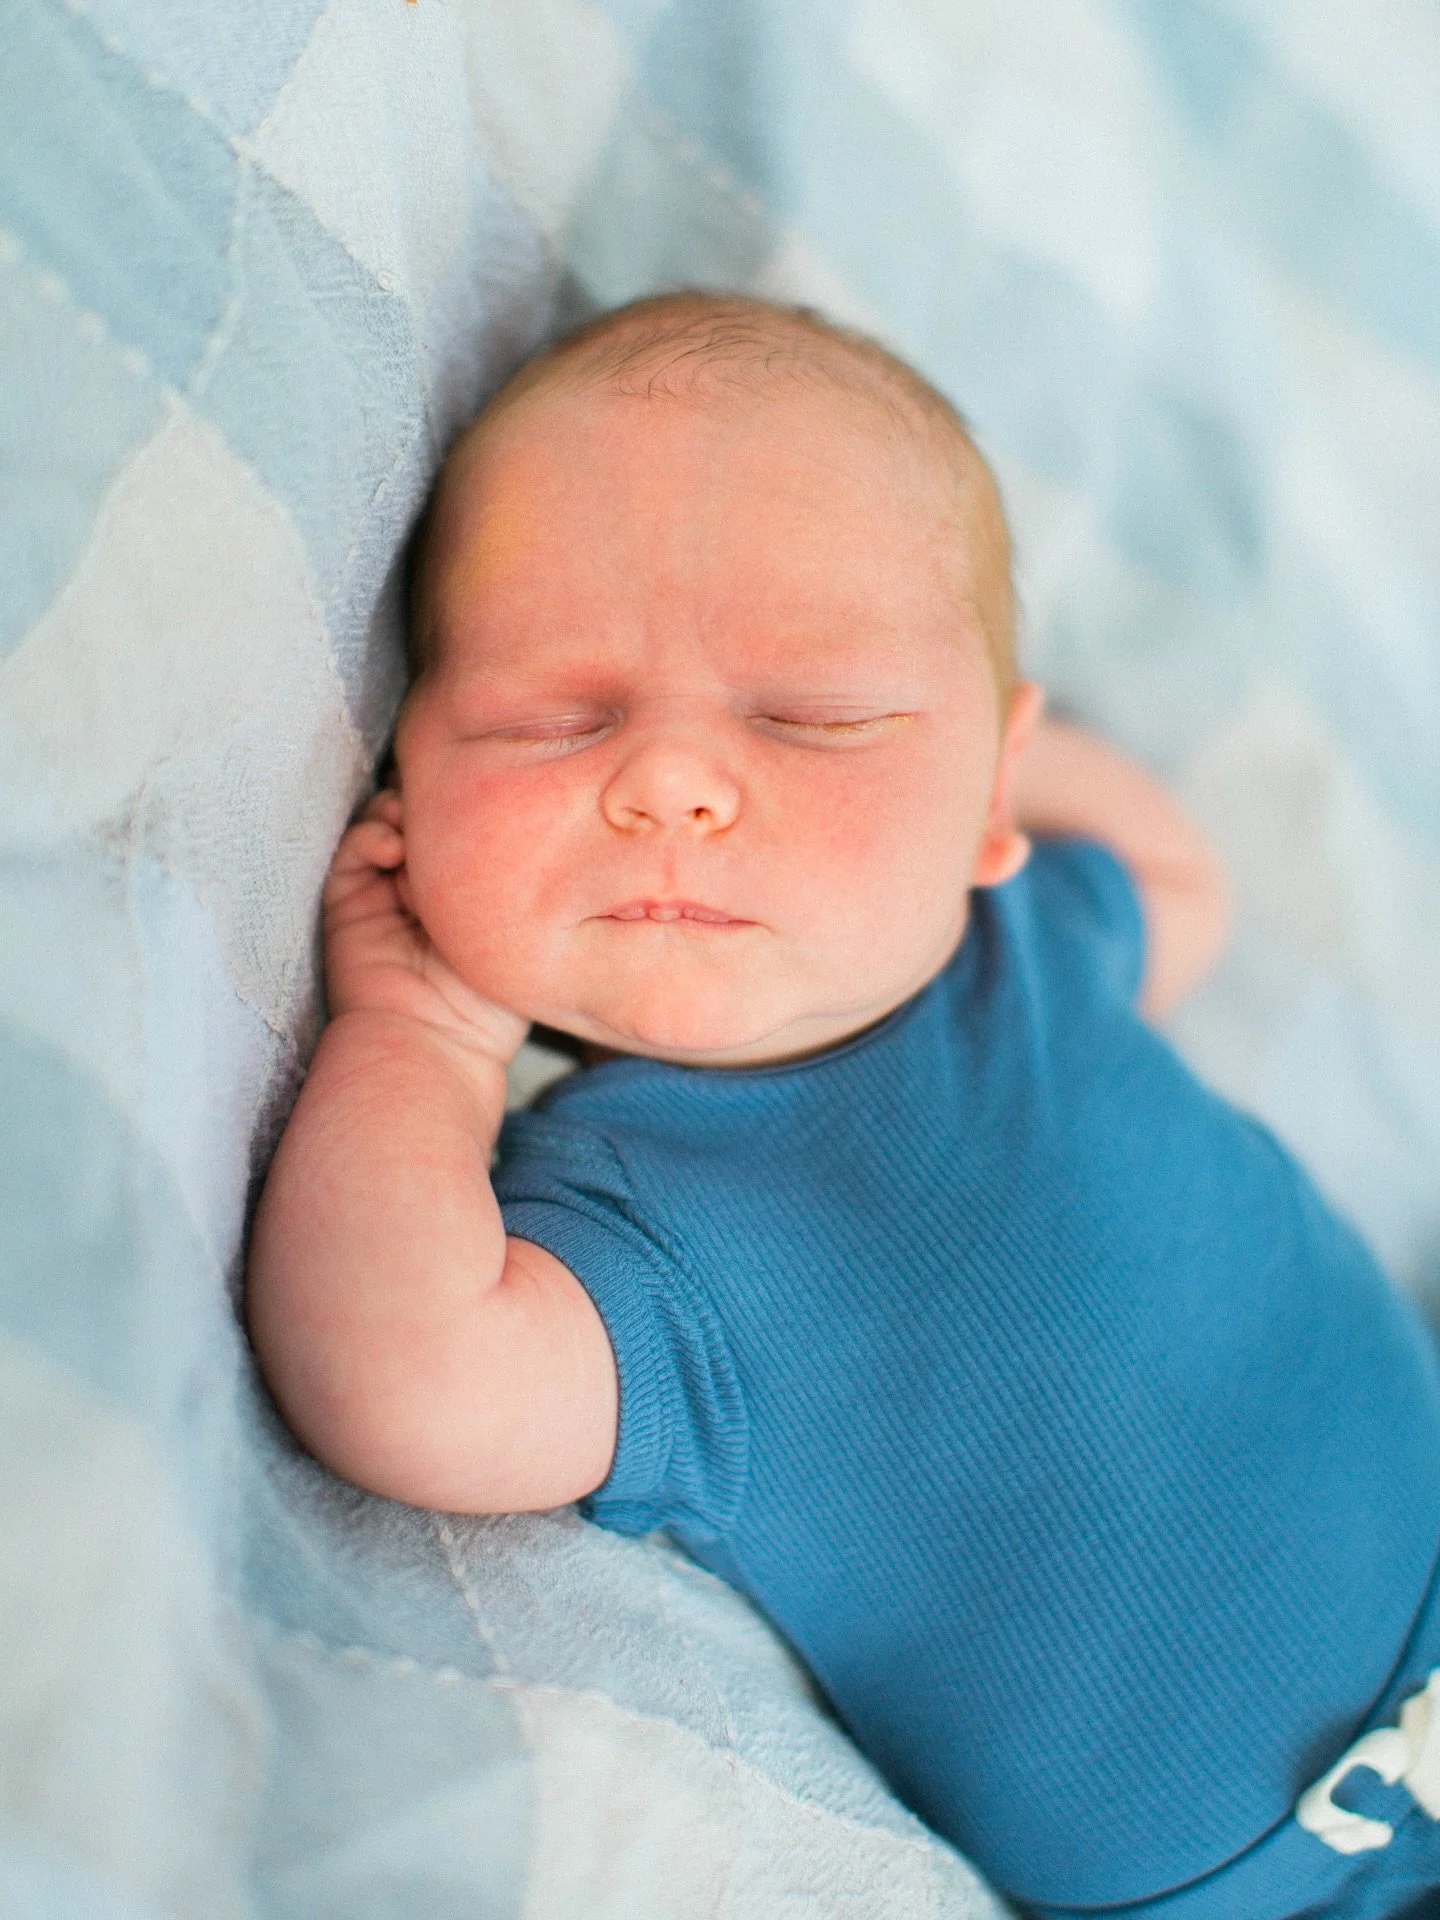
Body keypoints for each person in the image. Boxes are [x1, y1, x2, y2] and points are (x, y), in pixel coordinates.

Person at [246, 293, 1440, 1918]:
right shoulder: (623, 1221)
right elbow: (402, 1386)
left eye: (819, 718)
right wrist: (420, 1046)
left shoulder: (1022, 951)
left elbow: (1183, 877)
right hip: (1279, 1888)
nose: (672, 780)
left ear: (988, 795)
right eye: (549, 716)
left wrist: (988, 801)